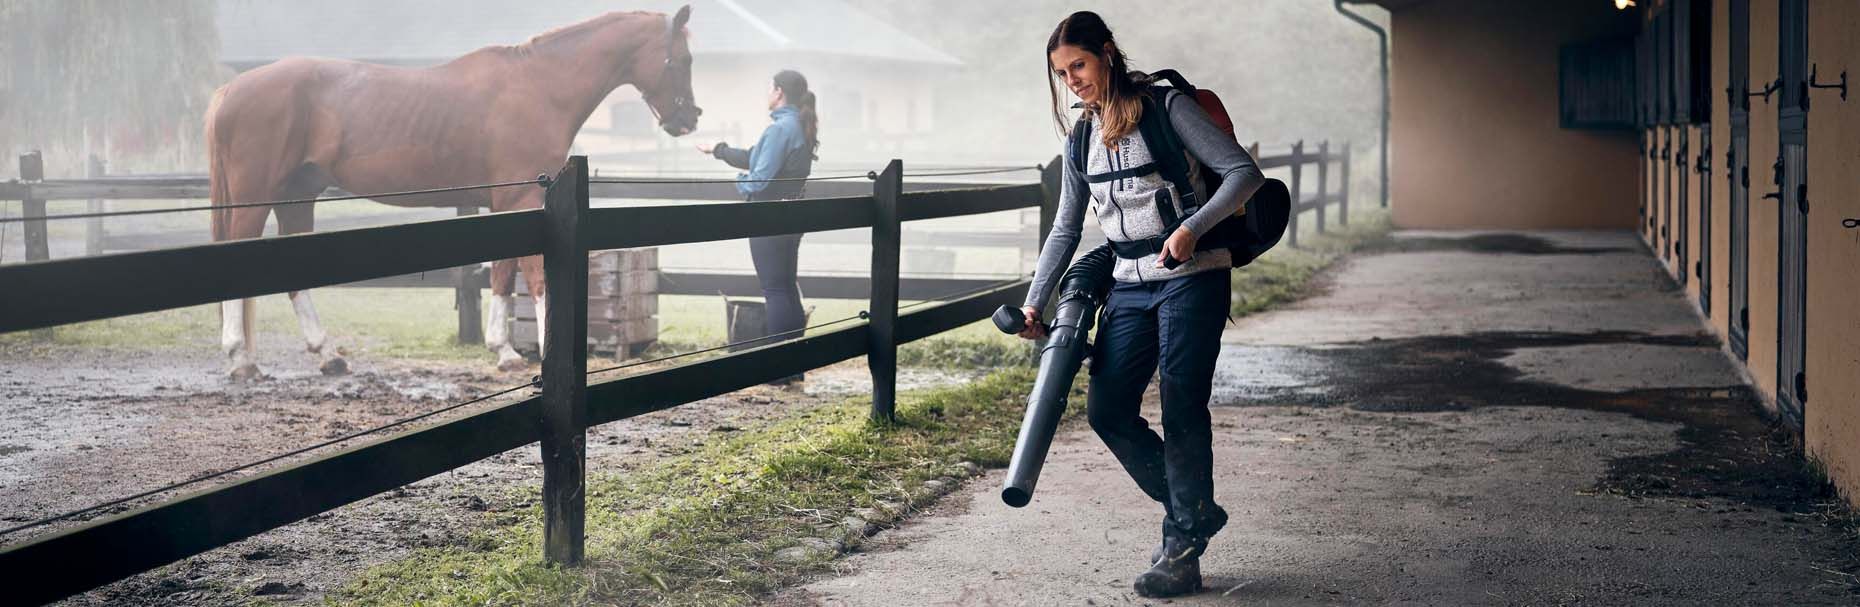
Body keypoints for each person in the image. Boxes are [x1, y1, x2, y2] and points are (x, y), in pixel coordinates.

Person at [1017, 11, 1265, 598]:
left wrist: (1192, 230)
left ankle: (1180, 549)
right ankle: (1193, 510)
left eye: (1078, 65)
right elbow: (1065, 228)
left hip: (1192, 274)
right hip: (1128, 282)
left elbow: (1242, 174)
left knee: (1181, 407)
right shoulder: (1080, 135)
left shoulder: (1167, 108)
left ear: (1106, 53)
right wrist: (1034, 302)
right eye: (1061, 72)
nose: (1072, 80)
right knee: (1106, 409)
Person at [698, 70, 819, 385]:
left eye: (769, 88)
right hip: (791, 217)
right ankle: (792, 366)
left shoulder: (780, 129)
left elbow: (760, 180)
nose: (767, 93)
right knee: (786, 287)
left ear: (778, 92)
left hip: (770, 217)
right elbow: (756, 157)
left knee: (775, 289)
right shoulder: (795, 126)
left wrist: (740, 184)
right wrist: (720, 150)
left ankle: (776, 370)